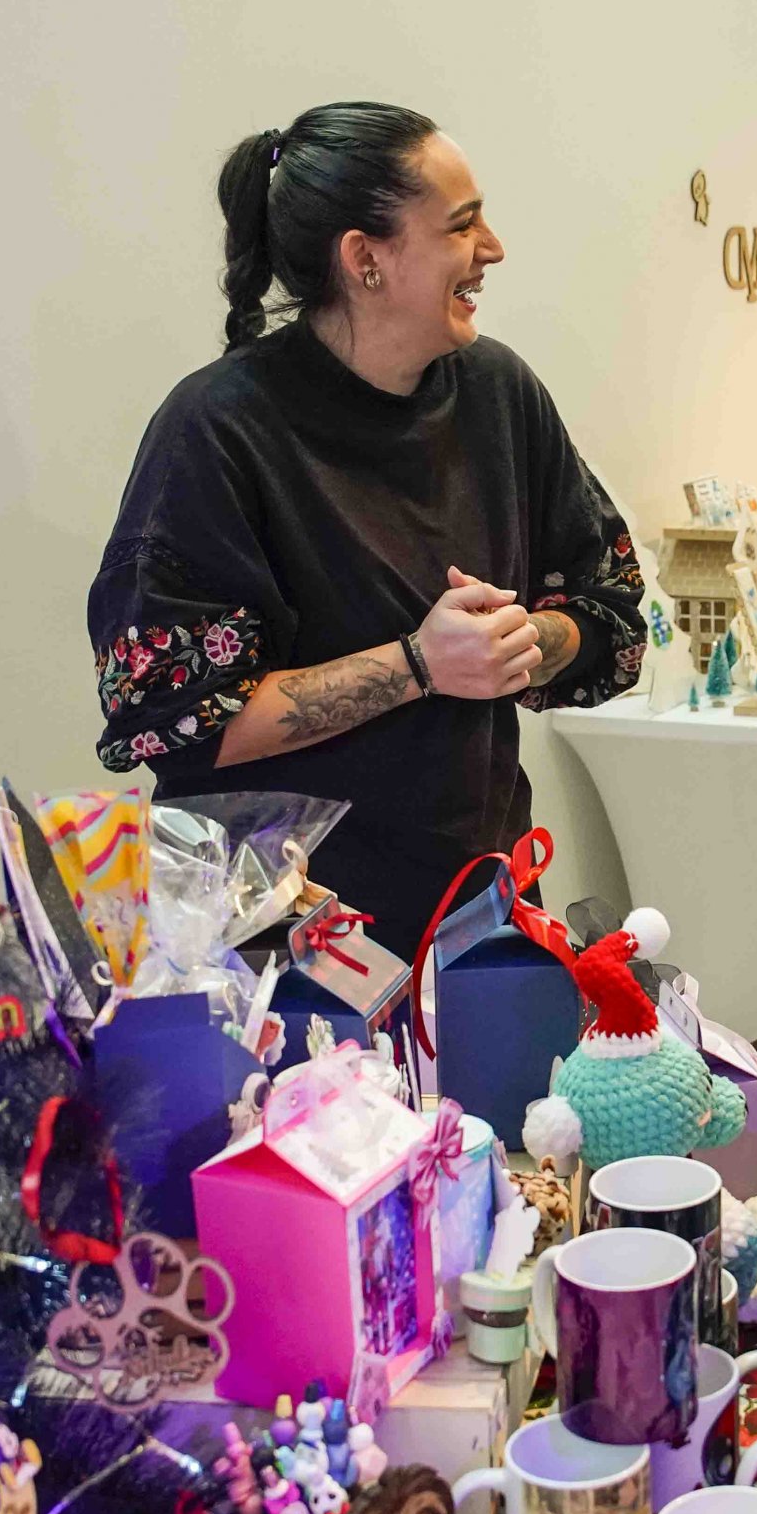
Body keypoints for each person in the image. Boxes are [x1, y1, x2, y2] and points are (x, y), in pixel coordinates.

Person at [88, 103, 644, 956]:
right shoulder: (218, 430)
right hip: (283, 945)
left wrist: (528, 639)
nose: (492, 249)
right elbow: (183, 724)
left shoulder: (498, 395)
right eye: (462, 226)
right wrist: (419, 664)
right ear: (365, 258)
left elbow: (611, 615)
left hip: (477, 921)